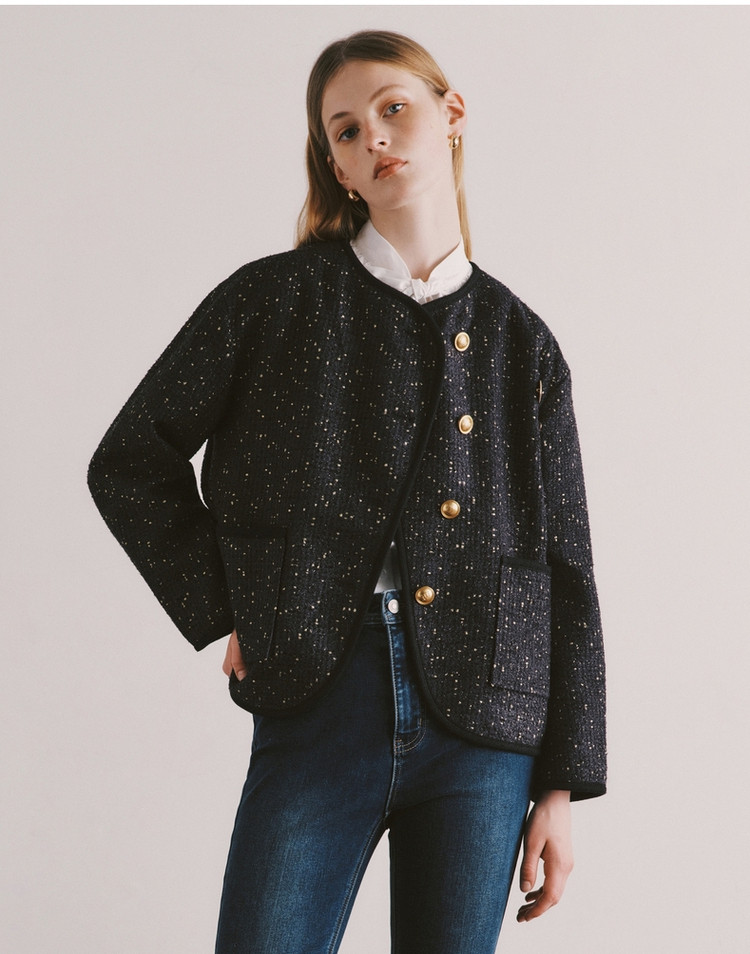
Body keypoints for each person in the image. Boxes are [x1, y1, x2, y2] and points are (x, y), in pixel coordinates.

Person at [88, 29, 606, 954]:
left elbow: (567, 568)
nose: (375, 136)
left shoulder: (522, 344)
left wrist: (561, 787)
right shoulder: (271, 301)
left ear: (451, 114)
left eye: (392, 108)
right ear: (336, 167)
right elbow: (130, 460)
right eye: (346, 130)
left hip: (487, 732)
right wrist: (227, 607)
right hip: (319, 696)